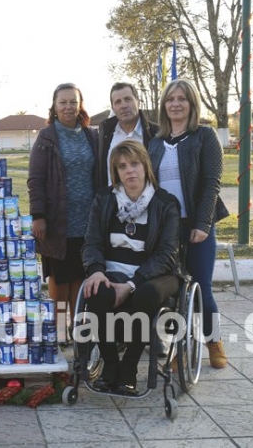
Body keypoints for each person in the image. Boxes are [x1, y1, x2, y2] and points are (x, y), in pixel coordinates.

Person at [82, 140, 181, 394]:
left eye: (134, 164)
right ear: (115, 172)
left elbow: (166, 254)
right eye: (122, 166)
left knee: (145, 295)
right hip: (112, 270)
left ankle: (129, 368)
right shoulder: (104, 199)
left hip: (156, 274)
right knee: (95, 291)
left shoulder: (165, 203)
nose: (129, 171)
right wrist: (96, 271)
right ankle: (111, 367)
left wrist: (131, 284)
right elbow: (92, 243)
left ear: (145, 166)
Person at [148, 78, 230, 369]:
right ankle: (180, 350)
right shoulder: (156, 143)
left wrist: (203, 224)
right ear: (164, 105)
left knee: (200, 288)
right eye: (170, 99)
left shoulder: (204, 137)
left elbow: (212, 184)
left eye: (182, 98)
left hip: (197, 225)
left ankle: (214, 341)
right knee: (174, 292)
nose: (175, 104)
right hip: (167, 230)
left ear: (191, 103)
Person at [27, 83, 98, 341]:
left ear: (80, 105)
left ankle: (76, 327)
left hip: (87, 221)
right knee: (60, 278)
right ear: (54, 107)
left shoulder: (91, 136)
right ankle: (58, 331)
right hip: (57, 222)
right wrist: (38, 215)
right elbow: (35, 179)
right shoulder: (46, 138)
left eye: (73, 102)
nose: (68, 107)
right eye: (63, 102)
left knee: (80, 275)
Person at [97, 82, 158, 188]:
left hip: (149, 202)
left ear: (138, 101)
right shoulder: (104, 135)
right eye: (118, 102)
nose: (123, 105)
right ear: (113, 107)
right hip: (113, 202)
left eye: (128, 99)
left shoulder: (156, 133)